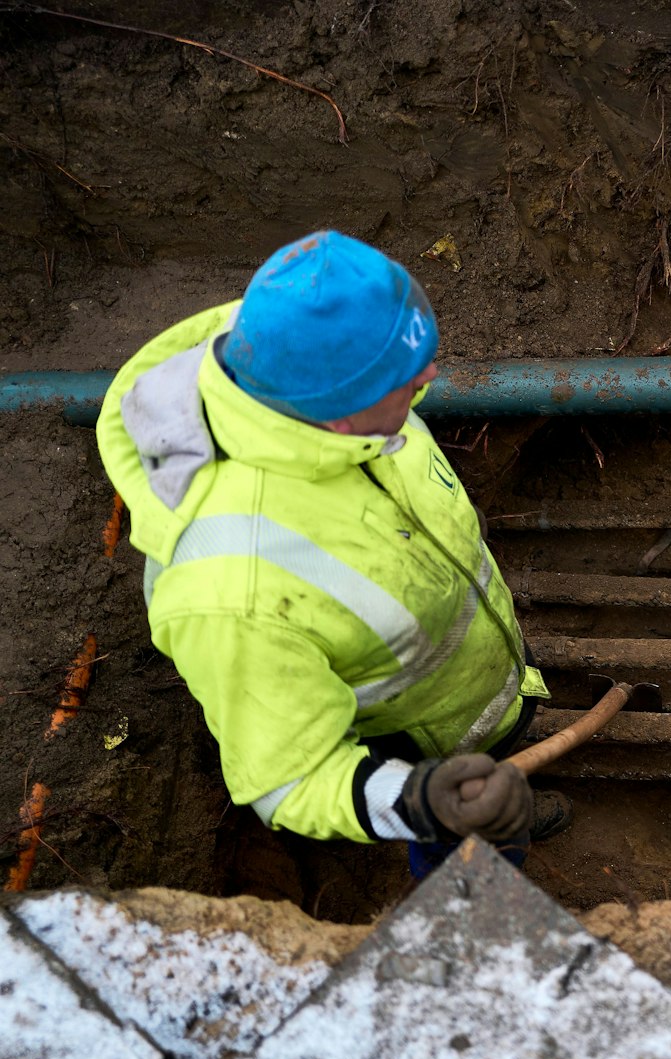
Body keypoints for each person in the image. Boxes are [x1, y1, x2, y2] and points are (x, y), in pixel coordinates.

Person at [95, 230, 567, 879]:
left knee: (496, 799)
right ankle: (470, 865)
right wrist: (422, 801)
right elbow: (289, 777)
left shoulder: (307, 352)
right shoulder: (234, 590)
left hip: (473, 690)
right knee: (464, 848)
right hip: (410, 755)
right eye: (405, 378)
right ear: (337, 416)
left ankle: (507, 807)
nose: (429, 377)